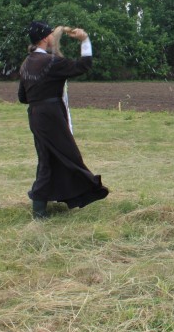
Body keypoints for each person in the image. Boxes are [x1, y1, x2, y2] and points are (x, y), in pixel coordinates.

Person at [17, 20, 109, 218]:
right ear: (44, 39)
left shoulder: (26, 63)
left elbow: (22, 97)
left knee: (48, 159)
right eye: (50, 33)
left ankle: (41, 207)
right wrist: (85, 40)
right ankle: (84, 192)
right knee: (68, 157)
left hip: (36, 116)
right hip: (52, 116)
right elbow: (84, 65)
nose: (52, 36)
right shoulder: (50, 62)